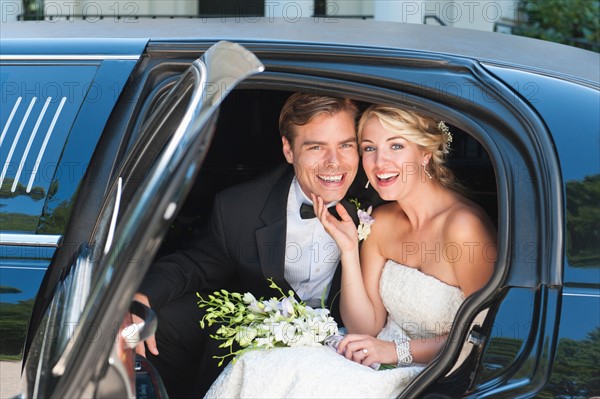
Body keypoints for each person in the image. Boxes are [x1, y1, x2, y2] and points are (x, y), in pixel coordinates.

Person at [204, 105, 497, 398]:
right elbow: (365, 327)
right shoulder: (380, 222)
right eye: (369, 148)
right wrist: (348, 249)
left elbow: (487, 337)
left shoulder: (463, 229)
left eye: (396, 145)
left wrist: (395, 352)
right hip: (372, 354)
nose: (380, 162)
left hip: (434, 372)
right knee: (260, 363)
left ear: (425, 153)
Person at [133, 92, 372, 397]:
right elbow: (193, 265)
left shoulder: (378, 198)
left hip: (350, 336)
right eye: (316, 147)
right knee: (164, 321)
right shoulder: (240, 208)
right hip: (269, 336)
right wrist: (141, 297)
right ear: (289, 150)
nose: (334, 162)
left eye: (345, 145)